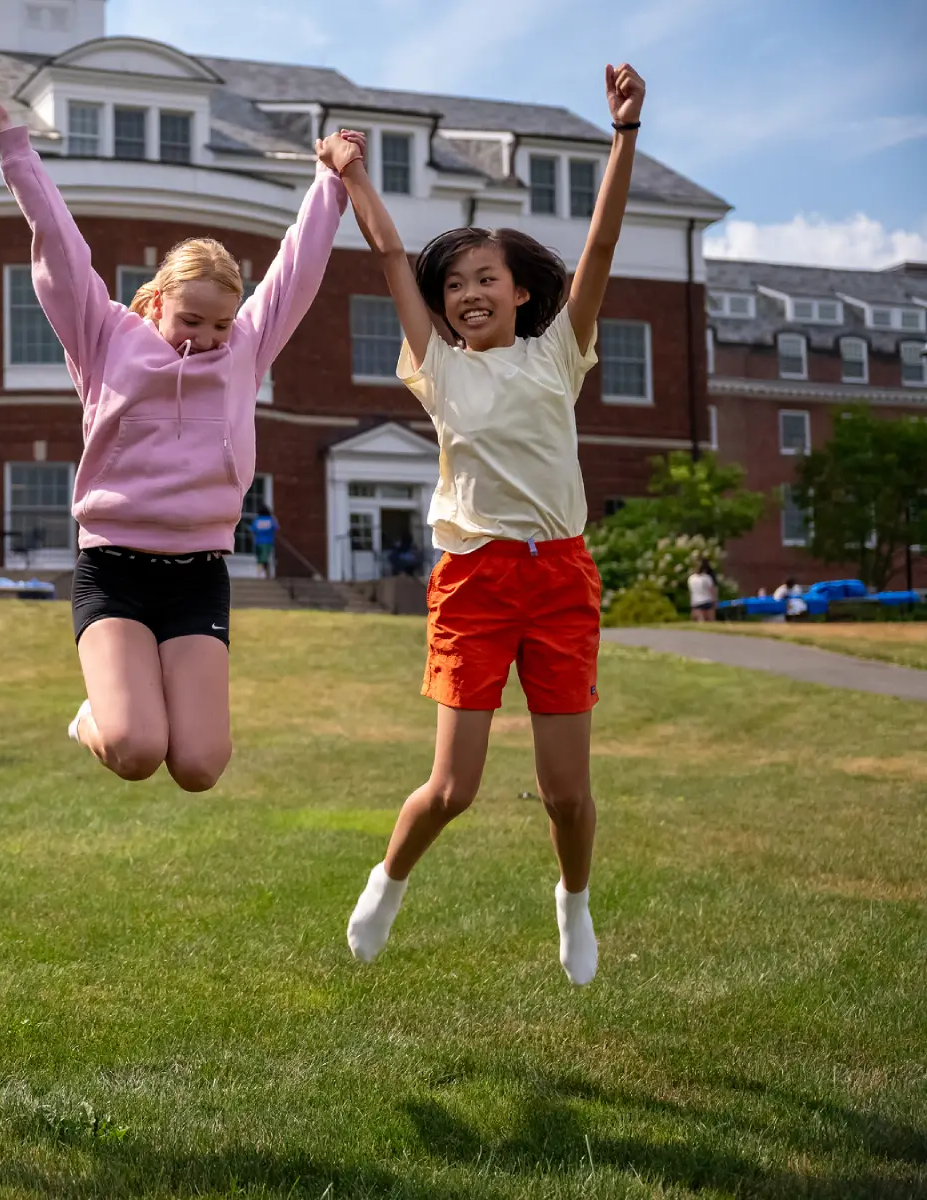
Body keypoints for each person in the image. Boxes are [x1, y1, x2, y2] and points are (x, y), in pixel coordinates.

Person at [333, 65, 648, 988]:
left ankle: (574, 903)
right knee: (453, 788)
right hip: (473, 581)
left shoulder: (561, 352)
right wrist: (355, 176)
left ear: (519, 292)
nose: (469, 291)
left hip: (561, 579)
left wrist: (625, 131)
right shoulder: (436, 365)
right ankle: (389, 880)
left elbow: (601, 244)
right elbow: (393, 259)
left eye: (486, 279)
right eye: (456, 283)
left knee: (566, 792)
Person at [0, 84, 351, 794]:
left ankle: (132, 710)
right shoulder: (107, 337)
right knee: (135, 747)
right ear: (154, 303)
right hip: (113, 568)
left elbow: (297, 271)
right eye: (190, 320)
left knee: (200, 765)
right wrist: (11, 137)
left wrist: (330, 182)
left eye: (219, 324)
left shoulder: (243, 350)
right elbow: (57, 239)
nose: (206, 339)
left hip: (198, 573)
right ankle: (96, 716)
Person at [248, 504, 279, 579]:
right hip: (268, 542)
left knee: (260, 558)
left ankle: (263, 574)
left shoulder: (257, 520)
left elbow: (252, 529)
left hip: (258, 542)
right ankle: (261, 574)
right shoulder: (271, 520)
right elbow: (276, 528)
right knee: (264, 559)